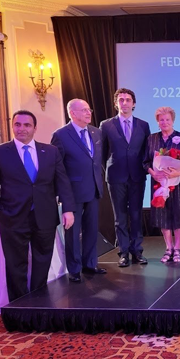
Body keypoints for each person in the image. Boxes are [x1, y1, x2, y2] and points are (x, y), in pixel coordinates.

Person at [0, 110, 75, 302]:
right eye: (17, 124)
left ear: (35, 128)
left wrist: (68, 209)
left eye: (26, 125)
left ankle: (38, 306)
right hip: (12, 218)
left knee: (42, 263)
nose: (21, 129)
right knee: (16, 265)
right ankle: (18, 308)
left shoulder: (50, 151)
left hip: (45, 217)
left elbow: (62, 182)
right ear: (13, 126)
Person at [51, 99, 106, 283]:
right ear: (72, 113)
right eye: (83, 110)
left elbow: (96, 161)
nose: (88, 112)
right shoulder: (61, 135)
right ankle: (74, 269)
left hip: (94, 188)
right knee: (73, 232)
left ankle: (90, 263)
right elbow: (57, 168)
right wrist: (62, 193)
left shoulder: (96, 132)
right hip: (73, 192)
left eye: (89, 109)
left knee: (91, 229)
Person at [100, 88, 151, 267]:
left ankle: (137, 251)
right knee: (119, 216)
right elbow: (102, 153)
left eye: (128, 100)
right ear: (116, 104)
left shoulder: (143, 125)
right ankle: (123, 253)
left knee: (136, 215)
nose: (125, 103)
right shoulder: (106, 125)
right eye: (121, 100)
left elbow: (147, 151)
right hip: (116, 177)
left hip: (137, 175)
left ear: (134, 103)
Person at [144, 107, 180, 263]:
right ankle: (168, 248)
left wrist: (178, 172)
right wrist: (154, 173)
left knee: (179, 215)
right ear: (157, 122)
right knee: (162, 216)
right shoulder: (151, 139)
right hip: (159, 184)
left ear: (173, 120)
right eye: (161, 119)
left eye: (167, 119)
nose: (164, 122)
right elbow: (145, 162)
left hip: (179, 184)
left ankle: (178, 248)